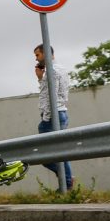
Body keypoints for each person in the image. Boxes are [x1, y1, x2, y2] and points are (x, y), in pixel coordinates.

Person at [34, 44, 73, 189]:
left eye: (38, 55)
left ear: (46, 54)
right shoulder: (60, 69)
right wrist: (40, 79)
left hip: (53, 115)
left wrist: (46, 118)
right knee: (57, 152)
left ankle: (67, 180)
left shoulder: (53, 71)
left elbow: (52, 96)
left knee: (43, 155)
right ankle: (66, 181)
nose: (36, 59)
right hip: (60, 113)